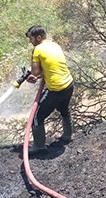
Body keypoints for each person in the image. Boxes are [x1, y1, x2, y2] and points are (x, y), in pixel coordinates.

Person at [25, 25, 74, 153]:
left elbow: (35, 72)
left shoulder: (37, 50)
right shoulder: (55, 45)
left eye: (31, 39)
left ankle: (39, 146)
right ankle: (67, 136)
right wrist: (39, 75)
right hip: (68, 84)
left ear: (39, 37)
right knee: (64, 109)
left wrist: (31, 76)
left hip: (56, 89)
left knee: (36, 117)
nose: (30, 42)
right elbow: (51, 68)